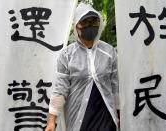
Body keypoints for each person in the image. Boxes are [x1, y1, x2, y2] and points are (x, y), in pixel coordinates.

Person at [45, 3, 119, 131]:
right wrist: (51, 121)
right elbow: (60, 89)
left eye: (93, 22)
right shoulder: (67, 55)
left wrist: (118, 113)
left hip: (105, 117)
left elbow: (115, 86)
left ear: (99, 23)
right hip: (78, 118)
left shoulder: (109, 51)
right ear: (76, 27)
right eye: (85, 23)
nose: (89, 26)